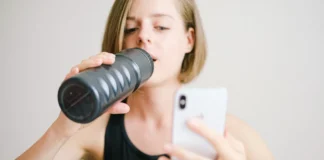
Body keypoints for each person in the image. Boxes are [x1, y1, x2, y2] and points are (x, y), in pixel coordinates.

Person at [16, 0, 274, 159]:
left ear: (189, 40)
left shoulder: (232, 135)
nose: (144, 37)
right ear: (120, 41)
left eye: (160, 26)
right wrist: (62, 128)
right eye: (131, 28)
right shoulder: (97, 129)